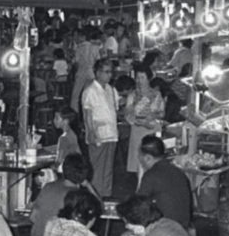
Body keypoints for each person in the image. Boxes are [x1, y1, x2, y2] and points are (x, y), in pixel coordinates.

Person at [30, 154, 96, 236]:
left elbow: (33, 217)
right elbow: (99, 208)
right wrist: (88, 185)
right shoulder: (79, 196)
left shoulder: (48, 186)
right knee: (91, 222)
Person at [136, 135, 192, 230]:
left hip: (166, 230)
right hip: (184, 227)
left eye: (140, 155)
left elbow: (137, 206)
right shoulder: (178, 172)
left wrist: (140, 177)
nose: (138, 158)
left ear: (148, 158)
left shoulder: (151, 175)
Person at [82, 58, 119, 197]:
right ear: (97, 72)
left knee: (108, 169)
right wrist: (91, 133)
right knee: (97, 168)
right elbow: (87, 113)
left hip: (112, 133)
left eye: (111, 72)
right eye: (106, 72)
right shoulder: (90, 90)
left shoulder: (110, 89)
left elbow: (114, 109)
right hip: (99, 134)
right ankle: (95, 197)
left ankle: (106, 195)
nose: (109, 75)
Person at [124, 64, 165, 175]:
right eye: (138, 78)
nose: (139, 81)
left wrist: (154, 116)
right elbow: (127, 114)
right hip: (138, 130)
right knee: (139, 162)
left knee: (153, 161)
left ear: (148, 78)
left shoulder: (156, 95)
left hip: (152, 130)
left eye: (142, 78)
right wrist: (137, 122)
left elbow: (162, 113)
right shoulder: (132, 95)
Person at [70, 26, 101, 111]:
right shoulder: (95, 47)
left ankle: (74, 115)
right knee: (90, 95)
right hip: (92, 73)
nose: (75, 38)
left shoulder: (79, 48)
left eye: (77, 36)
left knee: (75, 97)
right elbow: (98, 61)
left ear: (82, 37)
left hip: (81, 73)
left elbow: (76, 62)